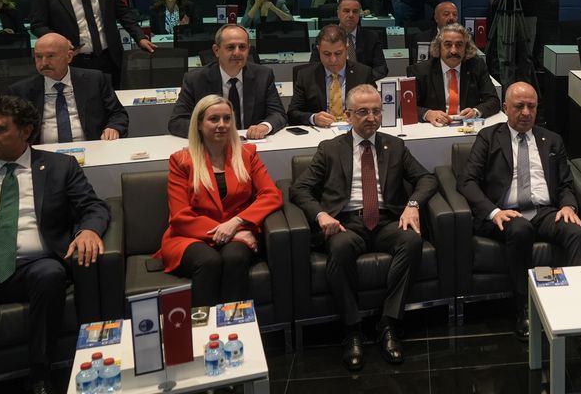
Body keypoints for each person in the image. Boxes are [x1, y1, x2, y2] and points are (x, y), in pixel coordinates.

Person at [289, 85, 436, 370]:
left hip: (387, 220)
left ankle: (388, 323)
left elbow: (427, 179)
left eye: (376, 111)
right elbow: (299, 189)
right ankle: (352, 329)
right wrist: (320, 215)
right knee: (340, 248)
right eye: (363, 112)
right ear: (347, 115)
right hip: (347, 223)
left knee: (412, 241)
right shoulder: (330, 149)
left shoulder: (395, 146)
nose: (371, 117)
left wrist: (413, 204)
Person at [458, 82, 581, 355]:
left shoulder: (551, 139)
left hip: (544, 211)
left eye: (531, 107)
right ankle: (524, 307)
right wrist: (494, 211)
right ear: (505, 108)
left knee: (576, 232)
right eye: (519, 106)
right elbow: (467, 181)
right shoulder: (489, 137)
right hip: (505, 212)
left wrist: (569, 206)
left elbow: (566, 183)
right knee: (520, 229)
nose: (525, 112)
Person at [0, 95, 109, 394]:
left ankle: (40, 373)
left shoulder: (59, 166)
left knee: (50, 274)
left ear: (26, 131)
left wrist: (88, 231)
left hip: (35, 266)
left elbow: (93, 207)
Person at [159, 95, 281, 306]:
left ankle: (233, 321)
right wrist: (227, 231)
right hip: (191, 235)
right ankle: (203, 324)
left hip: (237, 230)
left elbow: (271, 195)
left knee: (235, 258)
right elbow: (180, 217)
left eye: (227, 118)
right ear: (199, 123)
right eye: (214, 119)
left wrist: (236, 223)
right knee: (208, 261)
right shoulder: (181, 161)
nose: (222, 124)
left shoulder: (247, 154)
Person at [30, 0, 156, 86]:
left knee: (113, 96)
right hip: (74, 61)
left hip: (109, 58)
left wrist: (140, 37)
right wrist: (60, 41)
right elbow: (38, 25)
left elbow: (123, 13)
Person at [168, 24, 286, 139]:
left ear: (248, 49)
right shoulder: (195, 79)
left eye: (242, 47)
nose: (237, 53)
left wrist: (264, 126)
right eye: (230, 47)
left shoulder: (263, 76)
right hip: (212, 145)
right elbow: (177, 122)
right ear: (216, 50)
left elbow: (278, 114)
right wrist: (208, 129)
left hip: (252, 143)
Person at [9, 33, 128, 142]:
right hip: (42, 153)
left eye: (51, 56)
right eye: (38, 57)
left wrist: (113, 127)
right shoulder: (21, 91)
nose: (44, 63)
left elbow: (117, 113)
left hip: (92, 148)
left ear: (69, 57)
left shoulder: (94, 80)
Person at [409, 23, 500, 126]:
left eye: (459, 45)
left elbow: (493, 100)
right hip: (435, 128)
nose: (453, 50)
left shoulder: (477, 66)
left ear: (466, 48)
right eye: (448, 45)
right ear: (439, 47)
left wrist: (476, 111)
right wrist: (428, 114)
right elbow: (405, 108)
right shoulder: (421, 71)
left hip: (468, 127)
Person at [290, 26, 376, 127]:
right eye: (327, 54)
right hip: (320, 131)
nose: (333, 60)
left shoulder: (363, 74)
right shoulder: (306, 76)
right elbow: (292, 114)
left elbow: (375, 109)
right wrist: (314, 118)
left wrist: (360, 116)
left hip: (353, 130)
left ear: (347, 48)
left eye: (338, 53)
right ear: (318, 49)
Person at [309, 0, 388, 81]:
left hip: (363, 85)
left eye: (355, 11)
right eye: (346, 11)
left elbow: (381, 69)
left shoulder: (371, 37)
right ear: (338, 13)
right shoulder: (325, 37)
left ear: (359, 14)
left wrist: (361, 79)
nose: (351, 15)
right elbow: (313, 68)